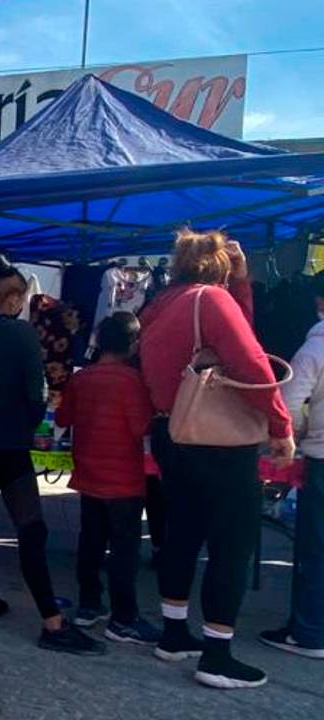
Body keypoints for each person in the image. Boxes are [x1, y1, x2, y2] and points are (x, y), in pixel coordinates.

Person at [140, 230, 293, 689]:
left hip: (172, 429)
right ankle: (217, 653)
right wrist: (280, 425)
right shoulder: (211, 299)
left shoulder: (162, 303)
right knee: (232, 543)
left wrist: (238, 285)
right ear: (222, 264)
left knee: (183, 532)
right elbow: (250, 361)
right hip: (217, 439)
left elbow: (229, 337)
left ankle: (173, 633)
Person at [0, 255, 103, 656]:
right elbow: (36, 395)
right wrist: (21, 422)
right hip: (10, 443)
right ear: (13, 299)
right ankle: (52, 622)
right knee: (31, 529)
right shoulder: (21, 334)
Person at [56, 312, 160, 645]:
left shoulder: (82, 379)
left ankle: (89, 605)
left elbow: (63, 417)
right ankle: (124, 618)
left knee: (91, 541)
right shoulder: (132, 381)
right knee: (124, 550)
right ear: (132, 345)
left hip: (89, 474)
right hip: (124, 479)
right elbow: (140, 427)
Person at [260, 278, 324, 659]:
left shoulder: (315, 347)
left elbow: (287, 404)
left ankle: (309, 632)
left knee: (316, 548)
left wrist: (296, 434)